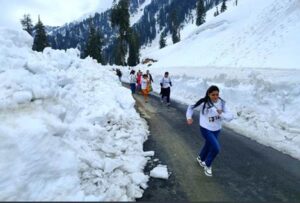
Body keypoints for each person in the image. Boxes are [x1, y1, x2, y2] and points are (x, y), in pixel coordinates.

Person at [186, 85, 233, 177]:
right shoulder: (204, 103)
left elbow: (230, 117)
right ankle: (207, 164)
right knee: (215, 148)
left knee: (208, 144)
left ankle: (201, 158)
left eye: (217, 94)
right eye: (213, 95)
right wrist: (189, 117)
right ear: (208, 94)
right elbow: (191, 107)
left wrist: (221, 114)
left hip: (217, 129)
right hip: (205, 129)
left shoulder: (222, 103)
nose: (215, 97)